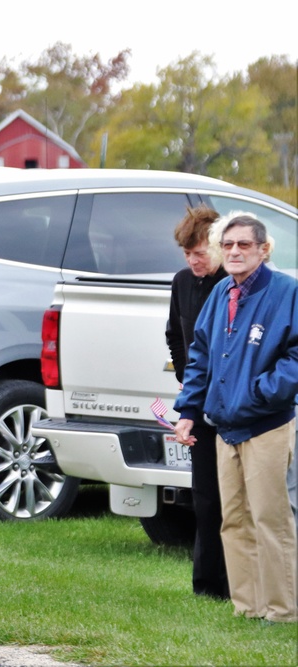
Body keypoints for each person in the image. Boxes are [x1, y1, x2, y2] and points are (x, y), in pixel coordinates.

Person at [173, 213, 298, 624]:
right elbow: (200, 358)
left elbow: (295, 359)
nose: (235, 252)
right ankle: (248, 609)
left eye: (244, 245)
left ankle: (282, 612)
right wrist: (189, 411)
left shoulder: (286, 292)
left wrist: (258, 393)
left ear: (264, 249)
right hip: (224, 429)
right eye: (228, 245)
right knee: (234, 521)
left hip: (267, 425)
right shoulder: (221, 293)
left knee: (270, 520)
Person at [165, 205, 230, 599]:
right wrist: (186, 381)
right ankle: (207, 584)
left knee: (234, 500)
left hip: (234, 406)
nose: (194, 260)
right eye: (188, 253)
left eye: (200, 252)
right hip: (199, 405)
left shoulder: (232, 284)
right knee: (205, 498)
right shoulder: (182, 282)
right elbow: (174, 335)